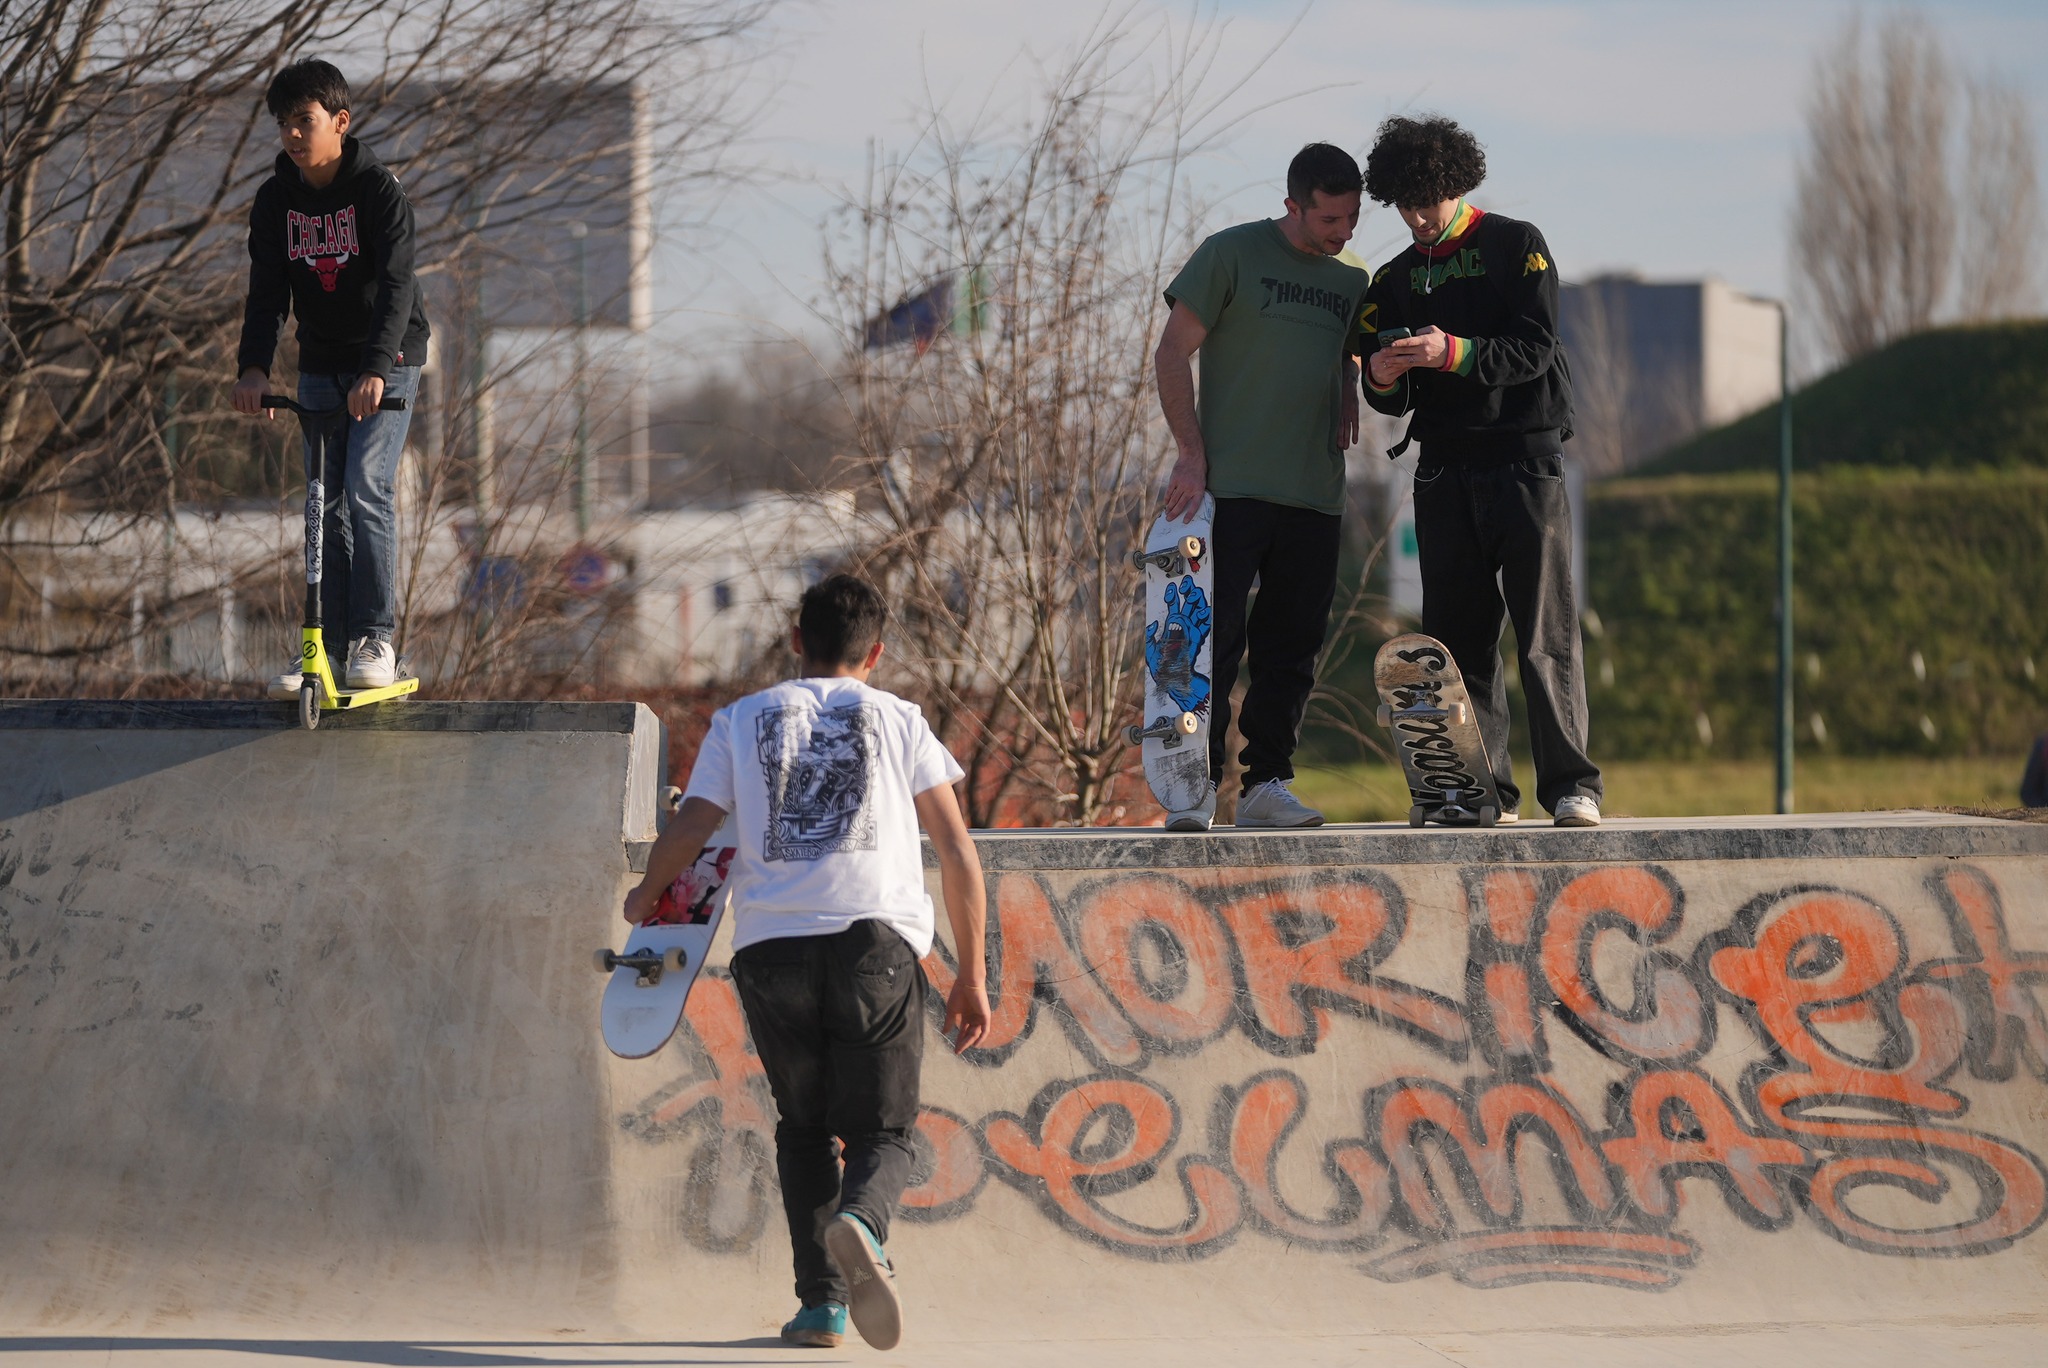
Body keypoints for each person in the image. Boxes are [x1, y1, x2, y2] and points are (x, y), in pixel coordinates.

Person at [624, 573, 992, 1351]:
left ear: (797, 639)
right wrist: (971, 975)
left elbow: (693, 827)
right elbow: (958, 852)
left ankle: (822, 1307)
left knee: (803, 1130)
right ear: (877, 653)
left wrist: (646, 894)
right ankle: (863, 1220)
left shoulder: (739, 720)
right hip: (873, 946)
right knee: (884, 1134)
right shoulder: (899, 719)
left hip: (771, 952)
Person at [1359, 114, 1603, 827]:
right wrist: (1380, 376)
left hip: (1525, 461)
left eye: (1425, 203)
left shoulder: (1516, 245)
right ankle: (1478, 792)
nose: (1416, 219)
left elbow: (1535, 347)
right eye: (1403, 206)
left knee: (1543, 633)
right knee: (1457, 643)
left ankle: (1573, 788)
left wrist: (1455, 352)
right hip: (1442, 470)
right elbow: (1389, 393)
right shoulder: (1393, 278)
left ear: (1457, 185)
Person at [1154, 143, 1369, 832]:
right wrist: (1190, 455)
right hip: (1231, 490)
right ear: (1293, 207)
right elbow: (1171, 352)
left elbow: (1345, 349)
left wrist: (1347, 388)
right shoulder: (1231, 253)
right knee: (1211, 646)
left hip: (1315, 494)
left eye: (1352, 218)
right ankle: (1193, 786)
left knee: (1291, 652)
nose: (1343, 232)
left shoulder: (1354, 278)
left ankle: (1265, 786)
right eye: (1329, 219)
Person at [233, 59, 430, 698]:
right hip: (320, 360)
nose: (293, 134)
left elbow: (398, 285)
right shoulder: (275, 201)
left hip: (388, 357)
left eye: (305, 120)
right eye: (283, 123)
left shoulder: (377, 189)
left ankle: (375, 637)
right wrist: (254, 368)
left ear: (340, 122)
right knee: (325, 501)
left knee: (367, 488)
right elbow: (267, 292)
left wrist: (376, 368)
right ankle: (326, 647)